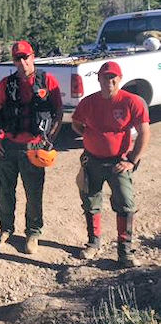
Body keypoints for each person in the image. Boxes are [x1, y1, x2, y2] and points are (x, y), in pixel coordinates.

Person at [72, 61, 150, 268]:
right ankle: (93, 242)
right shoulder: (88, 102)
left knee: (125, 204)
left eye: (113, 77)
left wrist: (132, 160)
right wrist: (90, 136)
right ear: (98, 79)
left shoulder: (131, 101)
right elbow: (76, 123)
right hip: (93, 161)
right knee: (90, 200)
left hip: (119, 162)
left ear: (120, 79)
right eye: (105, 77)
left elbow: (144, 132)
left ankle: (125, 252)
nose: (109, 81)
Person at [0, 40, 63, 254]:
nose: (22, 62)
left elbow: (58, 112)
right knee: (6, 191)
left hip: (34, 147)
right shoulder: (6, 83)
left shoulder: (47, 80)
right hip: (9, 145)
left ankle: (33, 232)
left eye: (25, 57)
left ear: (33, 57)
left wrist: (50, 138)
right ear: (13, 60)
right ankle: (6, 229)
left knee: (33, 193)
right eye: (17, 58)